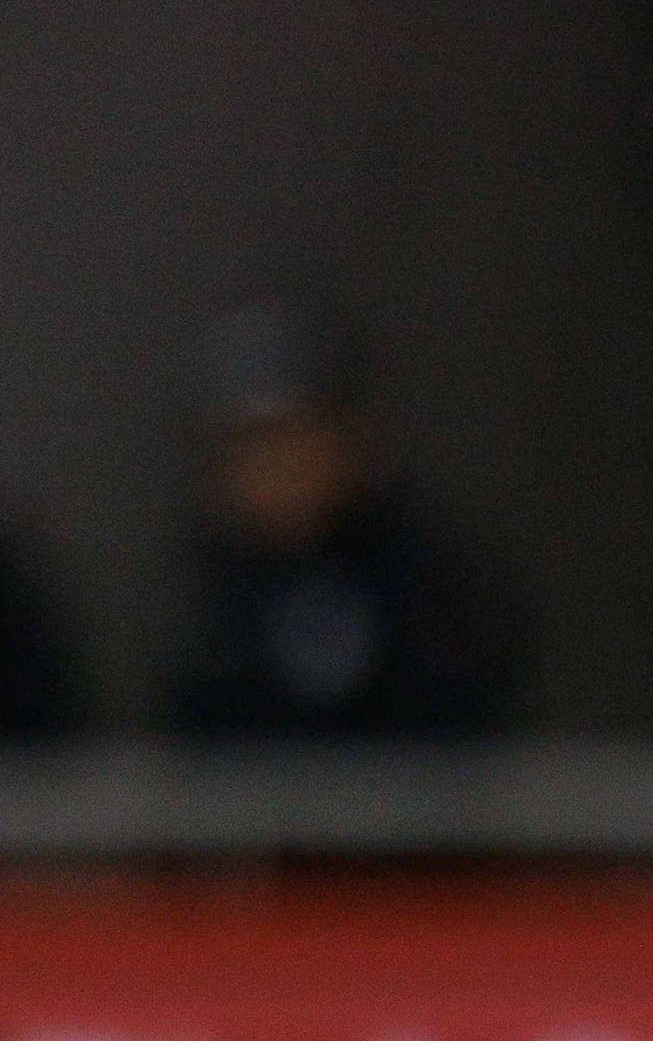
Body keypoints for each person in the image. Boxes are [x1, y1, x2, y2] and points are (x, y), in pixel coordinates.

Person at [161, 302, 510, 737]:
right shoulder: (199, 597)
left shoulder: (427, 581)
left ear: (357, 441)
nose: (280, 470)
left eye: (299, 439)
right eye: (256, 447)